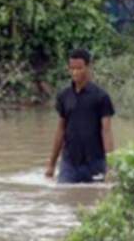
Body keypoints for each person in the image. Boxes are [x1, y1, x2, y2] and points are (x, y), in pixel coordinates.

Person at [45, 49, 115, 184]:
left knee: (96, 196)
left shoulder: (101, 97)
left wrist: (110, 166)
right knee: (64, 195)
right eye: (72, 68)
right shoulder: (64, 96)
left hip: (95, 162)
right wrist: (52, 165)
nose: (75, 72)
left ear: (88, 67)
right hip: (69, 163)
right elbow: (61, 129)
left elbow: (106, 131)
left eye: (79, 68)